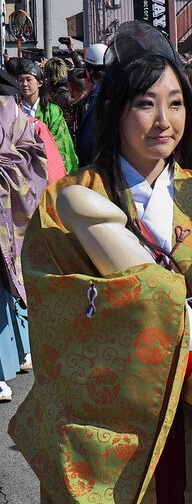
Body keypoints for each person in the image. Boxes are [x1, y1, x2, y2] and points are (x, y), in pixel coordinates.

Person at [9, 21, 192, 501]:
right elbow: (59, 315)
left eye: (176, 103)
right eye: (145, 103)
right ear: (115, 111)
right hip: (111, 420)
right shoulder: (66, 202)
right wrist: (150, 310)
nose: (163, 121)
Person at [0, 73, 48, 402]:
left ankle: (10, 361)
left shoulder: (22, 121)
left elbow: (38, 161)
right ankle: (14, 357)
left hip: (9, 211)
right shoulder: (19, 117)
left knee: (9, 287)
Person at [16, 59, 78, 174]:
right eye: (20, 80)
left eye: (28, 79)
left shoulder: (52, 111)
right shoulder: (14, 111)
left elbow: (60, 144)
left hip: (49, 168)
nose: (24, 84)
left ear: (40, 83)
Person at [75, 42, 108, 166]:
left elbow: (88, 140)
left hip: (96, 164)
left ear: (89, 71)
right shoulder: (117, 91)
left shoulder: (96, 96)